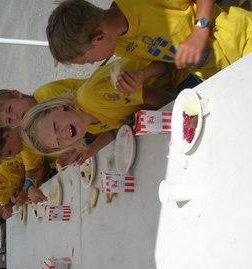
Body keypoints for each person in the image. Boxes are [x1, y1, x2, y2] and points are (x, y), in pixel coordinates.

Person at [46, 0, 252, 81]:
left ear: (99, 38)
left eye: (88, 60)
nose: (93, 63)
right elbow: (168, 60)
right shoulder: (118, 44)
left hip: (241, 38)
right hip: (218, 74)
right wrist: (142, 74)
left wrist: (200, 29)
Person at [20, 58, 175, 164]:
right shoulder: (87, 124)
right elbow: (117, 128)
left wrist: (178, 115)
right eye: (58, 142)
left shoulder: (91, 97)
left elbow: (150, 94)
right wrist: (93, 148)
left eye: (55, 126)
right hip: (163, 99)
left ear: (57, 108)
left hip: (173, 75)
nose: (62, 135)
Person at [0, 125, 50, 204]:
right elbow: (31, 168)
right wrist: (27, 187)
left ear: (7, 136)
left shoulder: (31, 130)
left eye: (9, 152)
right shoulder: (21, 146)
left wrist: (27, 188)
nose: (13, 156)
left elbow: (43, 166)